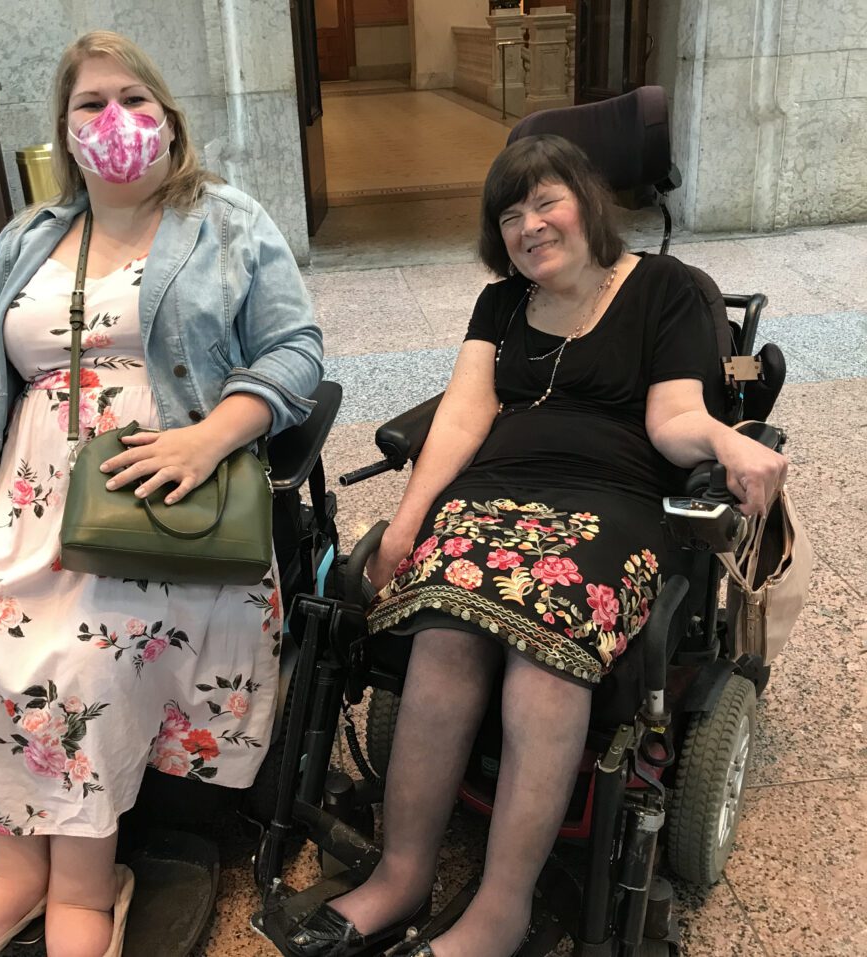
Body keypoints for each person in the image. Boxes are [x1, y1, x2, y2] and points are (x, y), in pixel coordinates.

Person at [286, 135, 786, 957]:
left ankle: (500, 911)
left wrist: (728, 444)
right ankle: (404, 873)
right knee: (443, 636)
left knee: (544, 654)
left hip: (612, 506)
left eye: (545, 201)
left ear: (587, 203)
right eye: (510, 215)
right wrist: (410, 522)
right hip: (492, 498)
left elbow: (672, 418)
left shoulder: (666, 288)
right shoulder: (499, 305)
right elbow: (462, 416)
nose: (529, 224)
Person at [0, 30, 322, 957]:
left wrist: (206, 437)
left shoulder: (228, 220)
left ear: (168, 117)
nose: (117, 120)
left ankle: (85, 885)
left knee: (85, 656)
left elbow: (296, 354)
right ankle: (19, 867)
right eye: (92, 105)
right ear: (64, 133)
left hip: (163, 502)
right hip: (34, 499)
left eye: (135, 100)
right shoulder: (29, 237)